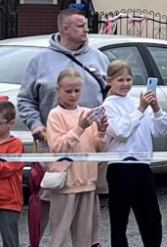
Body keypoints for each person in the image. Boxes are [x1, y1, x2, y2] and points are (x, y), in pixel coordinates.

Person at [17, 9, 109, 146]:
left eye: (86, 25)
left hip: (91, 143)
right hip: (53, 142)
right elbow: (25, 99)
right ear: (65, 29)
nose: (86, 29)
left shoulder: (100, 59)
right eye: (80, 26)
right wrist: (35, 124)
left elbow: (111, 96)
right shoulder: (40, 61)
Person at [103, 60, 167, 247]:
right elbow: (121, 132)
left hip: (142, 165)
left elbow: (160, 130)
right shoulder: (108, 105)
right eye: (120, 80)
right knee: (119, 219)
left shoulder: (136, 101)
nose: (125, 84)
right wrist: (140, 109)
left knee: (151, 217)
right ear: (109, 81)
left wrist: (156, 109)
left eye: (128, 79)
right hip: (120, 167)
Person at [46, 68, 107, 247]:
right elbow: (58, 148)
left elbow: (98, 148)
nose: (73, 95)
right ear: (58, 90)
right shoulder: (55, 115)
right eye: (68, 91)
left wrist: (101, 132)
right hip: (65, 182)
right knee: (59, 234)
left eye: (77, 90)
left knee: (85, 236)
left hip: (88, 180)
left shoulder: (87, 112)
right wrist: (79, 128)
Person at [0, 100, 23, 247]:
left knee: (11, 242)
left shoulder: (15, 144)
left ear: (11, 123)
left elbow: (9, 168)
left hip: (9, 202)